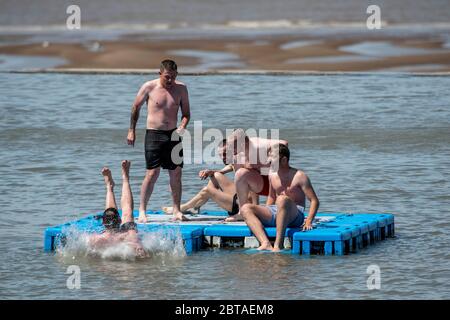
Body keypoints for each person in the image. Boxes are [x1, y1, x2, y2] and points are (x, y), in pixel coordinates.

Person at [127, 59, 190, 222]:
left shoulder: (181, 89)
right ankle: (142, 211)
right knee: (152, 173)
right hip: (154, 134)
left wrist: (183, 125)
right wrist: (131, 130)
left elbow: (186, 113)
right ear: (160, 73)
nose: (170, 81)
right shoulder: (149, 87)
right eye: (167, 77)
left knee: (176, 173)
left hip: (174, 134)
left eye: (173, 77)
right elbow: (135, 107)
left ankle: (177, 210)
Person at [240, 144, 320, 252]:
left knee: (282, 199)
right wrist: (265, 213)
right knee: (245, 208)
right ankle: (265, 243)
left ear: (284, 160)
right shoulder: (272, 175)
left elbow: (314, 200)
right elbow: (271, 197)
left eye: (272, 158)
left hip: (296, 215)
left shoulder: (300, 176)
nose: (268, 161)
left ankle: (278, 245)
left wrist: (308, 221)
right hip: (276, 210)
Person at [162, 139, 258, 217]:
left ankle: (185, 207)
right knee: (215, 175)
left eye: (225, 154)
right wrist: (210, 172)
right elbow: (225, 170)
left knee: (207, 190)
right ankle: (193, 207)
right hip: (239, 198)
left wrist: (253, 211)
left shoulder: (245, 164)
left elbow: (254, 189)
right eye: (221, 155)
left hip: (243, 206)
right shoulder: (235, 162)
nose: (223, 158)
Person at [225, 129, 288, 222]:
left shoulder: (258, 145)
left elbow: (284, 143)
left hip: (279, 184)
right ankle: (242, 212)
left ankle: (275, 211)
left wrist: (272, 157)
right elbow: (242, 185)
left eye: (232, 147)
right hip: (262, 185)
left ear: (242, 144)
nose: (230, 149)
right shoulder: (238, 156)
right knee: (240, 174)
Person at [88, 160, 148, 258]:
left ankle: (110, 186)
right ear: (120, 220)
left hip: (113, 235)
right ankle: (124, 178)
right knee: (127, 213)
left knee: (111, 213)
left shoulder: (96, 239)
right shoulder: (130, 236)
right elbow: (144, 256)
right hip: (125, 235)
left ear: (103, 223)